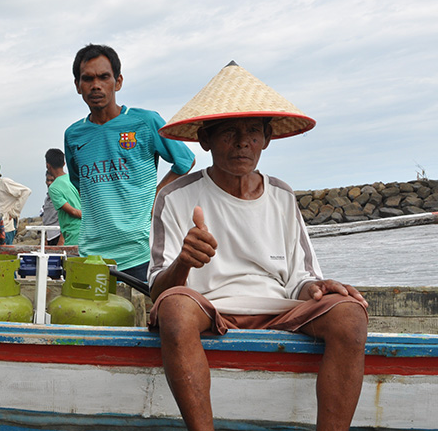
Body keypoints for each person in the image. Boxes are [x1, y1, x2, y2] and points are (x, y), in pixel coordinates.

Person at [148, 61, 368, 429]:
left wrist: (316, 286)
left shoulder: (281, 196)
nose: (242, 143)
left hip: (278, 308)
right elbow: (157, 292)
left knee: (350, 314)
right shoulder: (175, 196)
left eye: (252, 132)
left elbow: (300, 278)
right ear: (205, 139)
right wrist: (184, 262)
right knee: (173, 309)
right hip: (207, 310)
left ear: (266, 138)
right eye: (229, 132)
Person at [64, 44, 196, 281]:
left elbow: (185, 160)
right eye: (88, 79)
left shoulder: (144, 122)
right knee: (90, 317)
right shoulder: (74, 135)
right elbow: (79, 182)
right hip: (91, 254)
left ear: (118, 81)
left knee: (143, 316)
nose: (96, 85)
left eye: (104, 77)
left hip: (140, 251)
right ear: (77, 85)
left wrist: (156, 195)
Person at [0, 161, 31, 245]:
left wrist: (14, 212)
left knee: (4, 251)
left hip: (8, 227)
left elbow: (26, 191)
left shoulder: (4, 182)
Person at [44, 148, 81, 245]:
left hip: (73, 234)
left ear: (48, 165)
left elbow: (72, 211)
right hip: (87, 230)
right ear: (64, 163)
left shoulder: (53, 188)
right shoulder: (73, 178)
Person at [40, 172, 63, 246]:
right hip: (50, 236)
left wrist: (62, 239)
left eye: (52, 180)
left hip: (58, 234)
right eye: (48, 180)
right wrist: (46, 237)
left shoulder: (60, 197)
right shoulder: (47, 198)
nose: (49, 183)